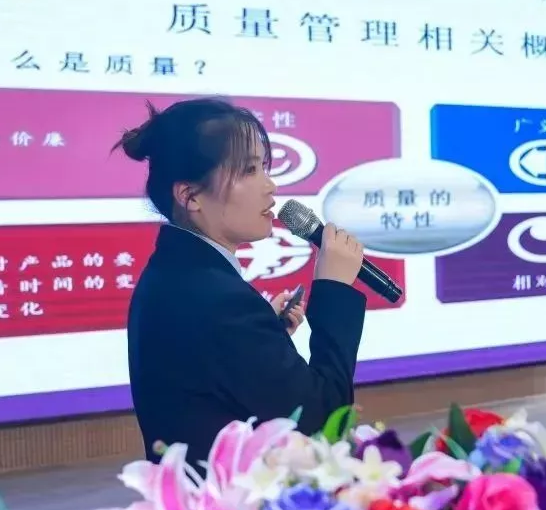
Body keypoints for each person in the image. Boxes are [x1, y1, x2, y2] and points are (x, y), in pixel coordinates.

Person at [116, 97, 367, 466]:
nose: (270, 186)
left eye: (264, 167)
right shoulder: (217, 299)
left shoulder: (175, 273)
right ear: (190, 196)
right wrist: (334, 290)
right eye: (248, 170)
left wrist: (265, 336)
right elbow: (322, 423)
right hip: (228, 499)